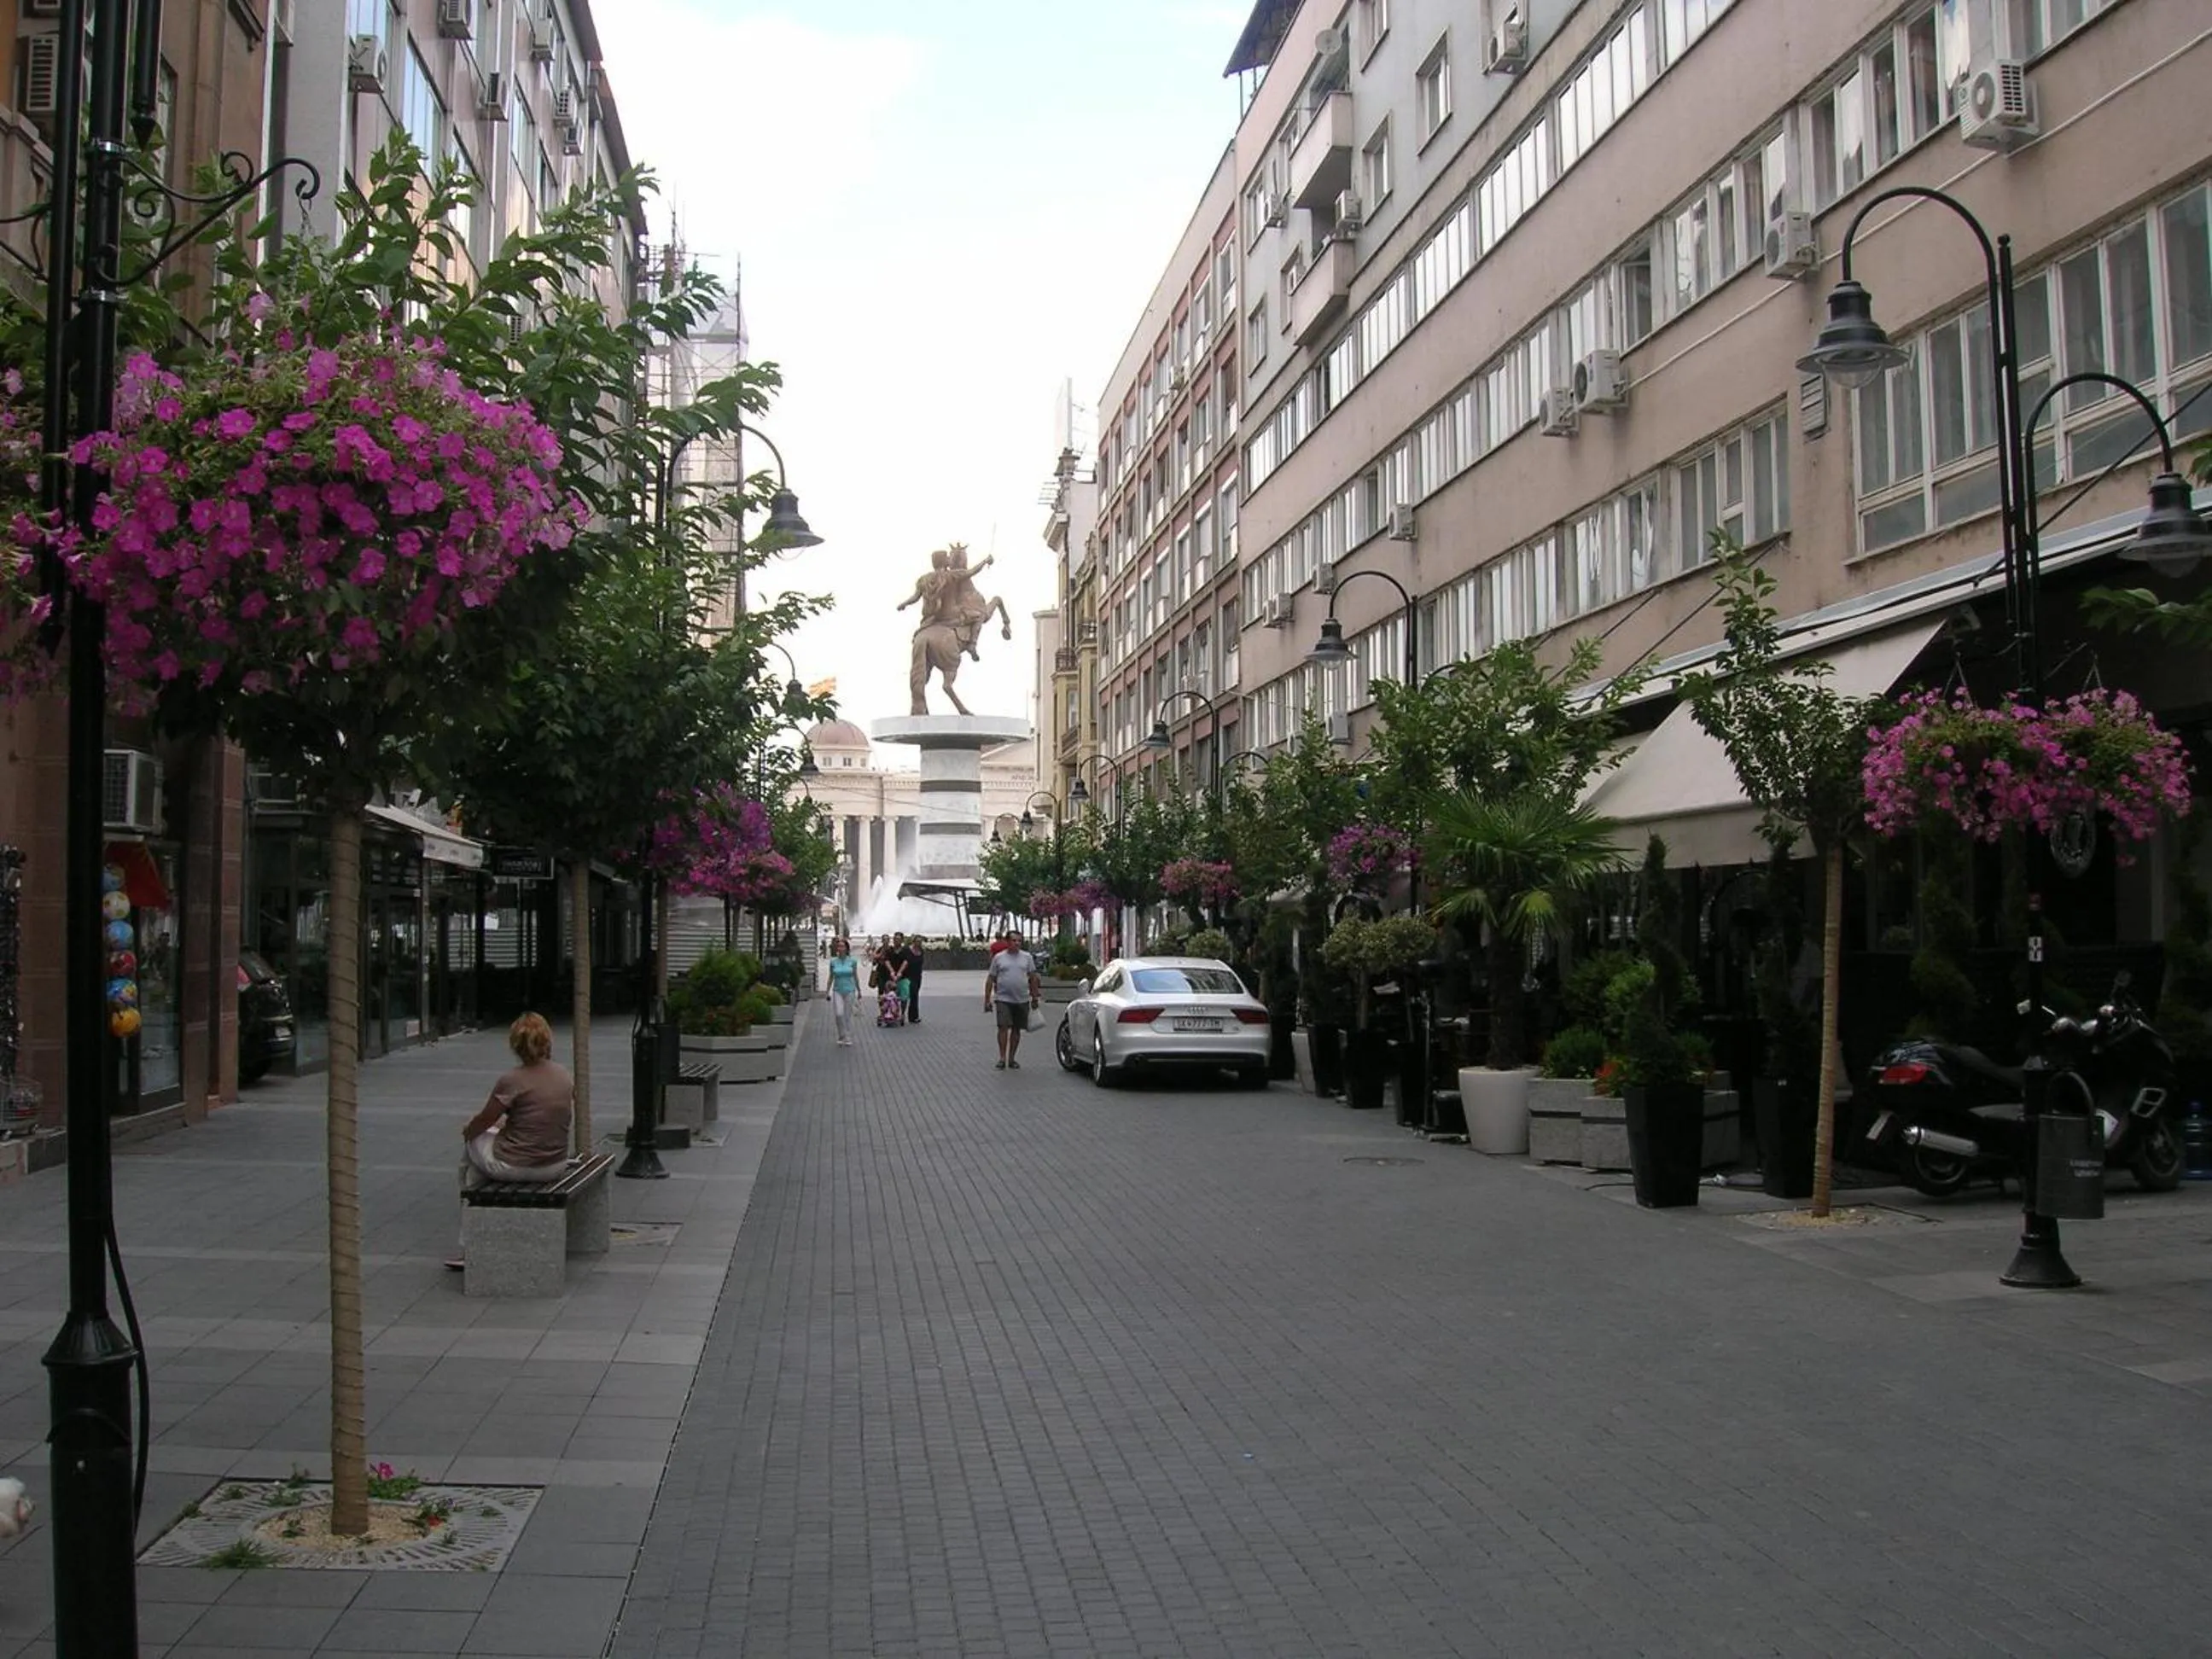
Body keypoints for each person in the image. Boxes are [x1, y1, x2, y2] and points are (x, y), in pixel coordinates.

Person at [446, 1012, 573, 1271]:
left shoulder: (512, 1080)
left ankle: (469, 1243)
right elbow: (542, 1115)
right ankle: (474, 1221)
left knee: (472, 1149)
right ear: (548, 1041)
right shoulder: (564, 1075)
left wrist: (468, 1130)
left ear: (515, 1045)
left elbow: (483, 1120)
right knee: (481, 1153)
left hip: (517, 1165)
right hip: (555, 1164)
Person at [983, 934, 1041, 1070]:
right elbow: (991, 978)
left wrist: (1035, 997)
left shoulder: (1027, 957)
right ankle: (1002, 1058)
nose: (1017, 943)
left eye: (1019, 941)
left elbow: (1033, 978)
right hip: (1003, 999)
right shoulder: (999, 958)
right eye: (1014, 941)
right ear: (1007, 942)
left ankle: (1012, 1058)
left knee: (1016, 1029)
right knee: (1003, 1027)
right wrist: (987, 999)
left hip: (1022, 999)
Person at [826, 934, 861, 1046]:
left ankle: (847, 1036)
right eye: (839, 946)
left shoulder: (852, 962)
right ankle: (841, 1034)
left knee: (847, 1015)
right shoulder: (833, 962)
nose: (840, 948)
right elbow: (831, 976)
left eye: (842, 946)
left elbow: (855, 976)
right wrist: (827, 991)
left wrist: (859, 990)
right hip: (837, 990)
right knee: (839, 1013)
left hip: (850, 990)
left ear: (846, 948)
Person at [901, 934, 927, 1024]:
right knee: (910, 994)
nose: (919, 943)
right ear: (914, 941)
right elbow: (903, 961)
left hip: (917, 976)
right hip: (908, 976)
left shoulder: (921, 951)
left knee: (915, 996)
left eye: (920, 942)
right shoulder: (907, 950)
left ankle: (913, 1016)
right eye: (917, 941)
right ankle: (904, 1014)